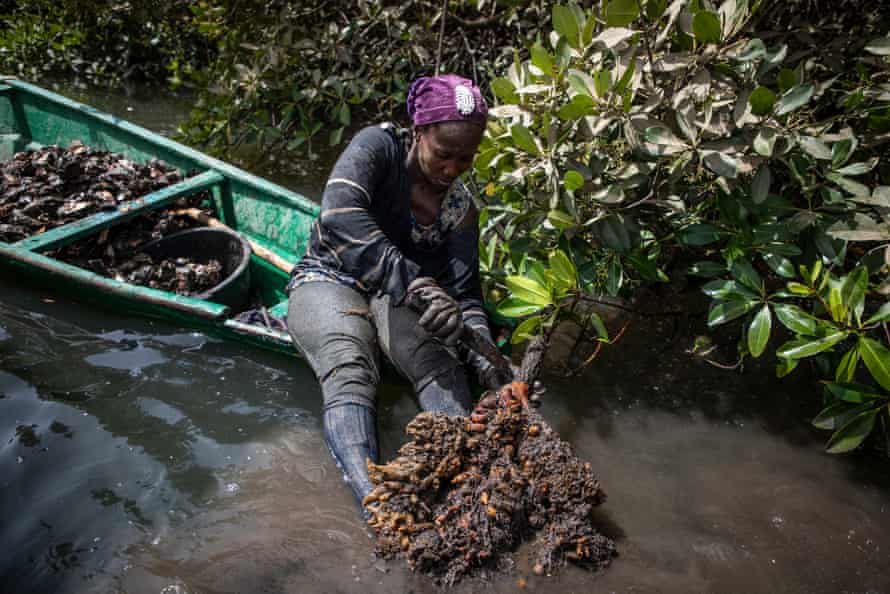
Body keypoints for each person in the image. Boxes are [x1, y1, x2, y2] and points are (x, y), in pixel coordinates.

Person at [285, 74, 510, 508]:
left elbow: (466, 296)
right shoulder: (377, 148)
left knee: (439, 361)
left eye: (465, 160)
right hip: (333, 276)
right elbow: (338, 216)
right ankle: (377, 507)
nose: (452, 170)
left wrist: (483, 353)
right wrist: (415, 281)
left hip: (402, 296)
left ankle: (472, 485)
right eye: (443, 155)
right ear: (419, 131)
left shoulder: (460, 208)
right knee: (350, 365)